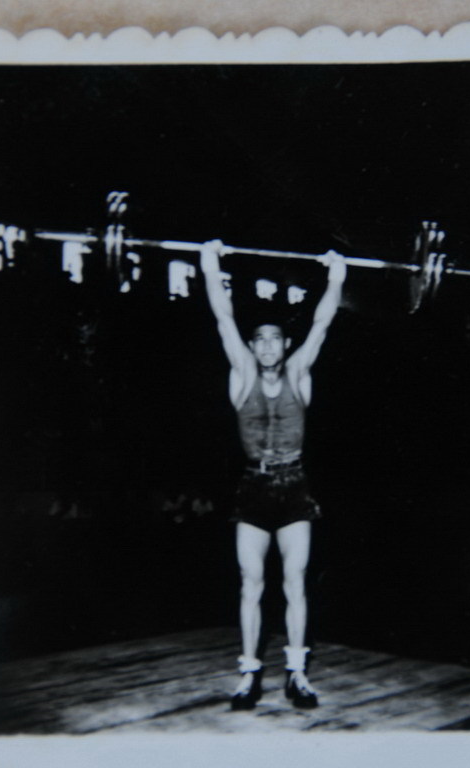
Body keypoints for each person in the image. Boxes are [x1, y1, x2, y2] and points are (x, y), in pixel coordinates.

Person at [199, 240, 345, 711]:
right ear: (252, 345)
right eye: (258, 339)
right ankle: (249, 676)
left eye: (274, 339)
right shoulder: (241, 373)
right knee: (251, 583)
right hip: (254, 488)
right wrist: (209, 264)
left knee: (295, 581)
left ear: (285, 345)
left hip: (293, 486)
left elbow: (322, 323)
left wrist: (337, 276)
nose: (265, 346)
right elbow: (223, 317)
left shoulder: (299, 373)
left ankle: (297, 675)